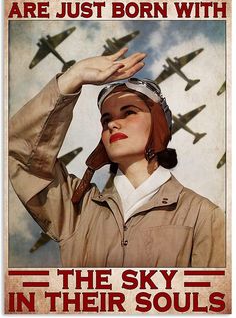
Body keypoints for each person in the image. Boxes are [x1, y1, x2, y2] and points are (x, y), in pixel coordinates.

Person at [9, 48, 225, 268]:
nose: (112, 124)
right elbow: (21, 152)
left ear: (159, 125)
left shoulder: (203, 216)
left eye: (129, 112)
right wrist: (74, 77)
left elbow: (212, 297)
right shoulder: (77, 211)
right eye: (106, 119)